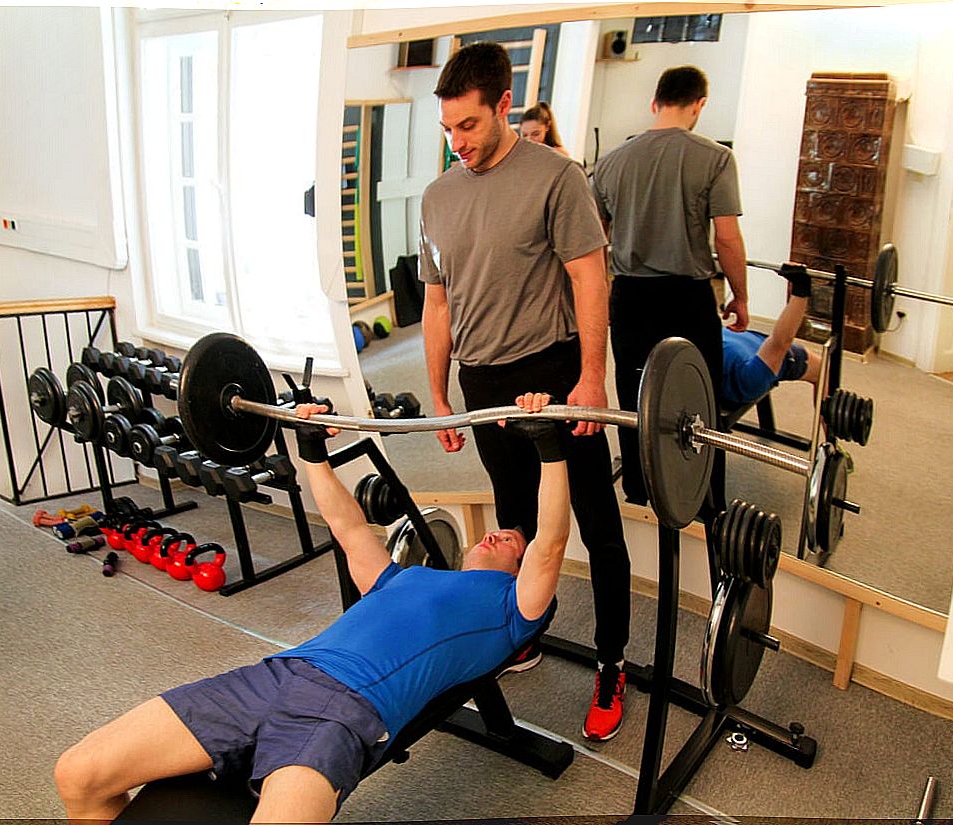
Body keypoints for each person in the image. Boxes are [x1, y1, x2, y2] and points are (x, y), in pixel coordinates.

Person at [54, 395, 571, 824]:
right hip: (272, 677)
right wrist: (311, 452)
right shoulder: (404, 576)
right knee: (78, 773)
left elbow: (549, 541)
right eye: (499, 532)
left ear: (521, 568)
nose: (504, 535)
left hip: (346, 710)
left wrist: (548, 446)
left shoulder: (511, 609)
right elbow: (347, 527)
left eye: (513, 544)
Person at [419, 42, 632, 742]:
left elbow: (588, 277)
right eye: (449, 129)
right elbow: (439, 301)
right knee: (516, 520)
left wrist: (592, 375)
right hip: (483, 382)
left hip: (552, 371)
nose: (459, 143)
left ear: (504, 105)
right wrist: (441, 392)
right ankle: (522, 633)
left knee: (596, 522)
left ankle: (611, 660)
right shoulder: (439, 195)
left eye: (470, 126)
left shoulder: (556, 176)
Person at [591, 64, 749, 510]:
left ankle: (641, 490)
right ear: (699, 105)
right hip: (687, 297)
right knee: (698, 397)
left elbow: (592, 242)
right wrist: (741, 294)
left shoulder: (611, 162)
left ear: (654, 102)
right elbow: (727, 238)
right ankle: (702, 497)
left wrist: (598, 297)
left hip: (630, 297)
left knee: (635, 394)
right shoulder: (715, 158)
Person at [721, 263, 822, 409]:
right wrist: (801, 288)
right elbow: (781, 342)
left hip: (740, 339)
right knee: (824, 370)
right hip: (759, 351)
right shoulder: (748, 380)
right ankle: (833, 432)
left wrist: (739, 298)